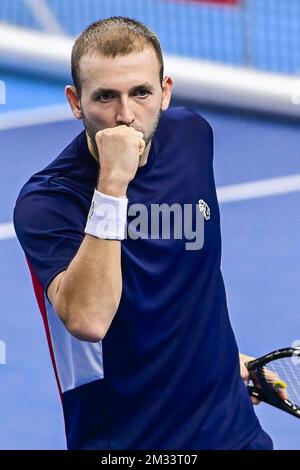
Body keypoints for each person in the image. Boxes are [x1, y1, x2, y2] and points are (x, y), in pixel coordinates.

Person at [14, 16, 273, 450]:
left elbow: (189, 278)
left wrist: (217, 358)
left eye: (140, 92)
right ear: (75, 102)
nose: (125, 115)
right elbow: (89, 319)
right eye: (105, 98)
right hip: (129, 442)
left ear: (165, 92)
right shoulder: (48, 202)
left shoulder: (192, 137)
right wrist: (112, 183)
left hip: (230, 429)